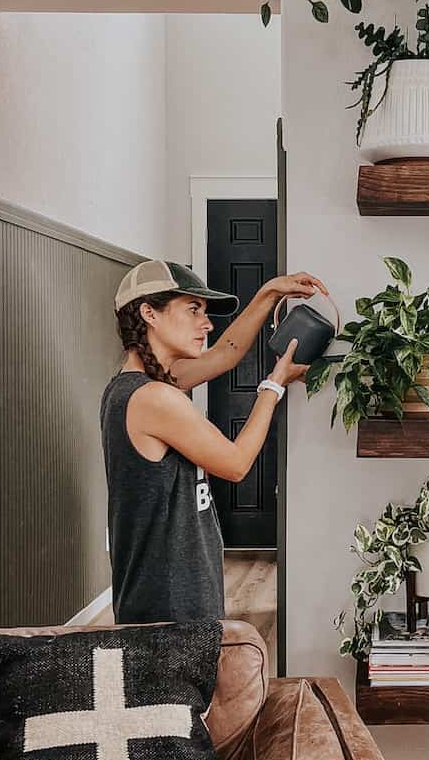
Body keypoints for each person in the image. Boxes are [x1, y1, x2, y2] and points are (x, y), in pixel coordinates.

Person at [101, 258, 326, 625]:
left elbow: (227, 353)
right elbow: (236, 464)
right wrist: (273, 386)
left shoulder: (135, 386)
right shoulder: (154, 398)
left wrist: (270, 292)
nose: (206, 324)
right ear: (149, 313)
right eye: (193, 310)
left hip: (162, 593)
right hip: (169, 604)